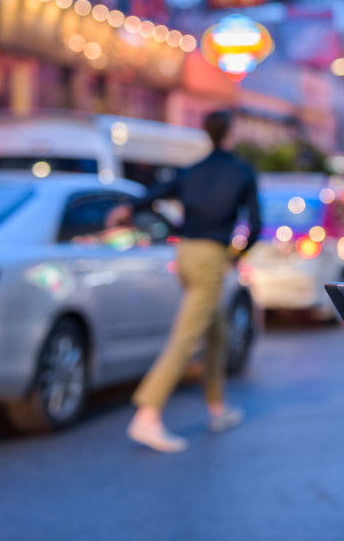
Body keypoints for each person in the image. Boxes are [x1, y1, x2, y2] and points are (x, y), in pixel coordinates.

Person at [109, 110, 261, 453]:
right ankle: (147, 415)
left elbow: (155, 193)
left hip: (185, 255)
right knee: (187, 335)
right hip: (211, 256)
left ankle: (217, 407)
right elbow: (255, 226)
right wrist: (234, 257)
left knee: (215, 328)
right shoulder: (241, 172)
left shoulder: (192, 171)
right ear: (231, 132)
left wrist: (128, 208)